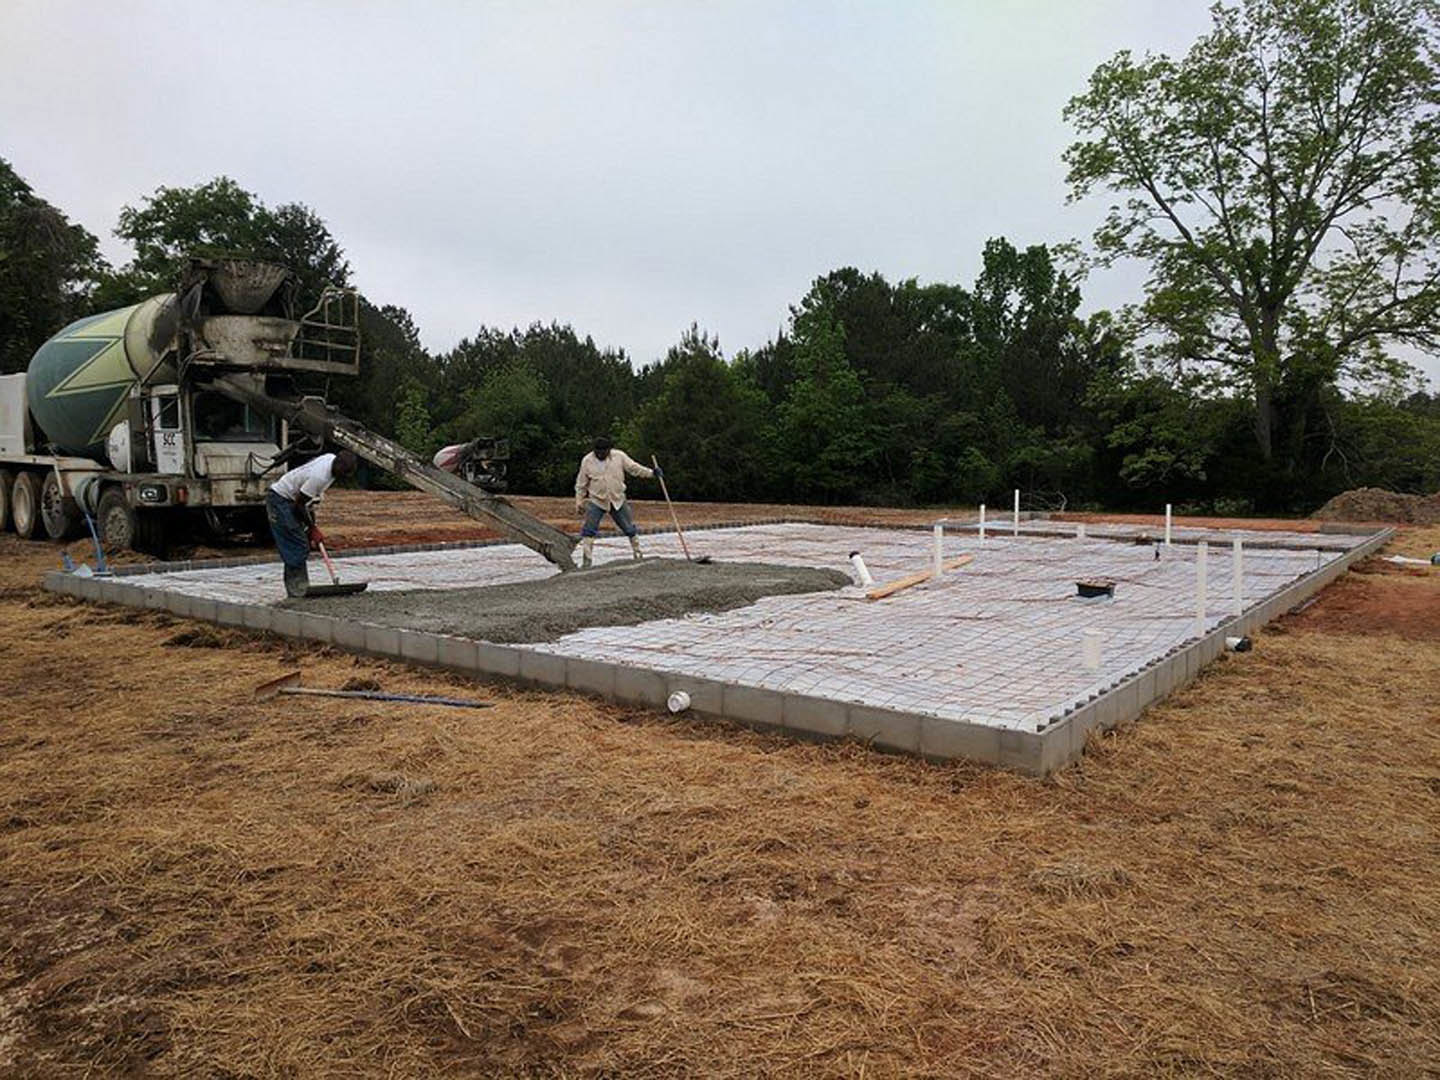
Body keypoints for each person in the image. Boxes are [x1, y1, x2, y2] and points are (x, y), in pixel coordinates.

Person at [266, 449, 358, 597]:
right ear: (338, 465)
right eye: (344, 472)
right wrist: (313, 528)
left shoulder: (330, 457)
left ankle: (298, 588)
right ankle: (296, 589)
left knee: (300, 543)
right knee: (297, 544)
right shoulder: (320, 477)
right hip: (280, 500)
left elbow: (306, 501)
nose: (344, 477)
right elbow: (299, 505)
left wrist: (310, 526)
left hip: (291, 499)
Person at [573, 436, 661, 568]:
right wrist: (579, 502)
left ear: (609, 450)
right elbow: (581, 484)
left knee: (629, 528)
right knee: (589, 530)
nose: (601, 454)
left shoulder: (619, 456)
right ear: (594, 450)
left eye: (603, 451)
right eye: (598, 451)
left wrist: (652, 473)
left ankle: (637, 553)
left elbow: (634, 468)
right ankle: (587, 561)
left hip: (617, 499)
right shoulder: (587, 461)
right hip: (597, 500)